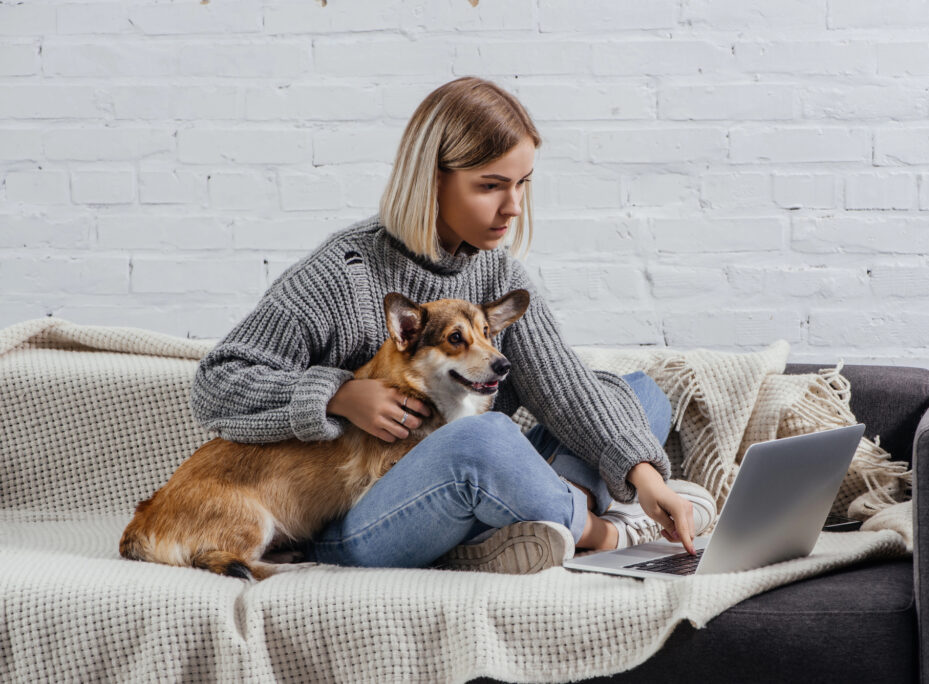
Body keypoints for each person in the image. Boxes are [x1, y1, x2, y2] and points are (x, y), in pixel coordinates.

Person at [189, 76, 716, 574]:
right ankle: (598, 531)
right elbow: (217, 384)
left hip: (464, 478)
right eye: (491, 186)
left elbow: (567, 390)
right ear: (431, 180)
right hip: (355, 517)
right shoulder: (341, 273)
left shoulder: (496, 270)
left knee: (639, 395)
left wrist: (643, 476)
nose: (512, 207)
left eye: (522, 185)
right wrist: (341, 395)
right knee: (484, 442)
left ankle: (529, 517)